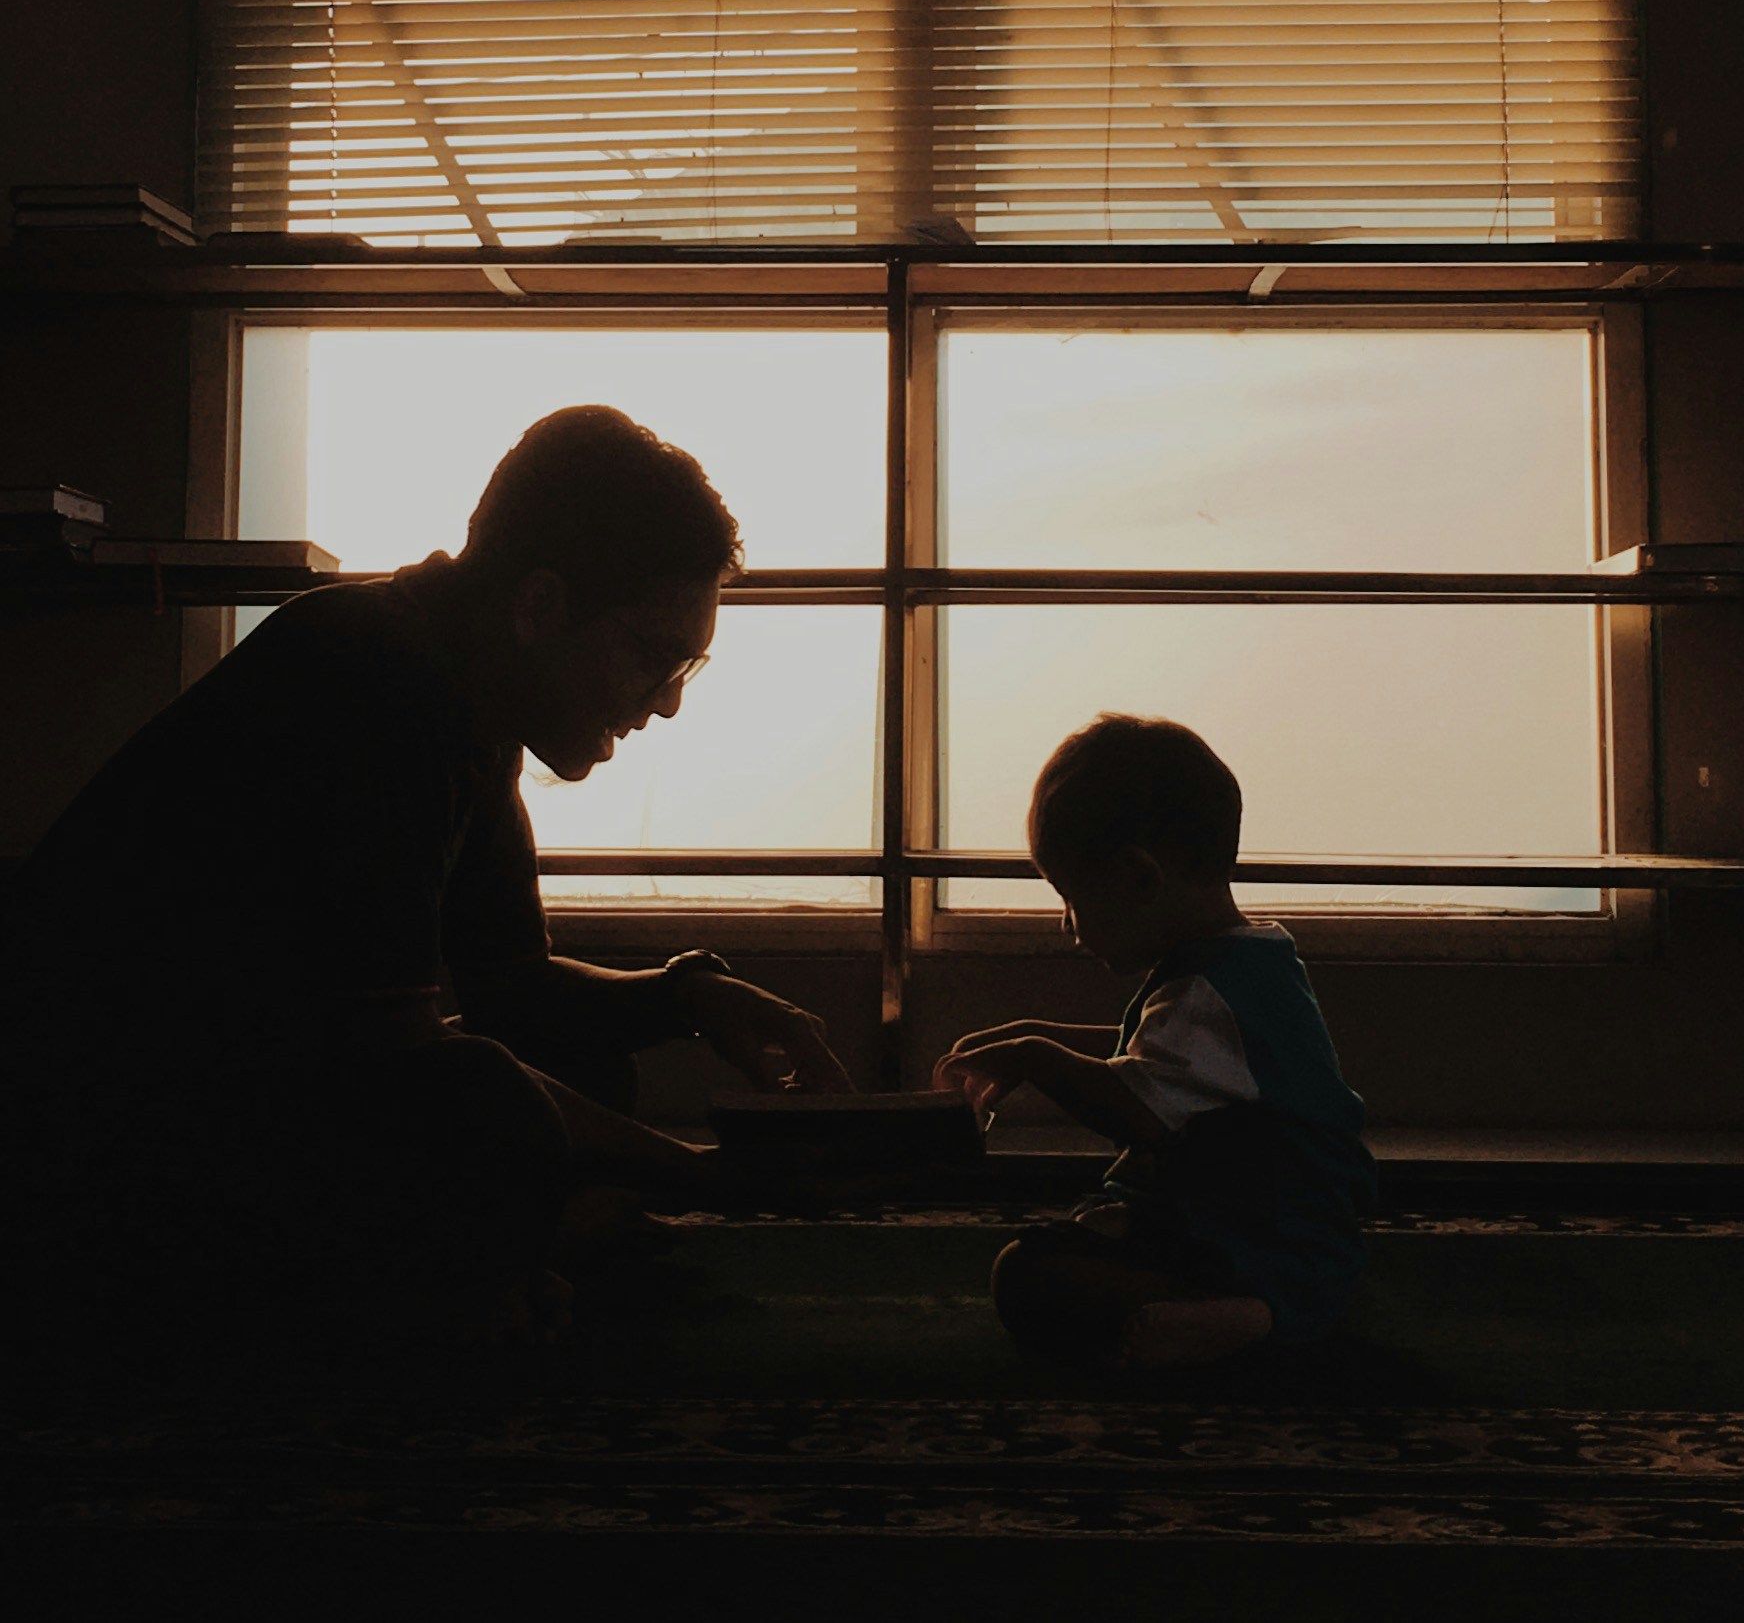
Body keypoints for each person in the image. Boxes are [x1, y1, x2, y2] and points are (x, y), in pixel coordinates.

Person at [1, 404, 849, 1359]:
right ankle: (367, 1304)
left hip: (225, 1114)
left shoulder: (460, 688)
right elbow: (397, 1052)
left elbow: (513, 985)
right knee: (487, 1105)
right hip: (89, 1145)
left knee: (570, 1070)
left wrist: (687, 995)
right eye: (655, 656)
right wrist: (704, 1175)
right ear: (539, 606)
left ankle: (455, 1275)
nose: (669, 702)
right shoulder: (370, 679)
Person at [936, 715, 1375, 1371]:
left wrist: (1036, 1057)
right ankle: (1253, 1314)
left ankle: (1252, 1317)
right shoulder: (1250, 964)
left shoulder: (1204, 989)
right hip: (1294, 1241)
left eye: (1071, 898)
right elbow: (1158, 1060)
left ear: (1140, 879)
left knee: (1027, 1274)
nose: (1068, 926)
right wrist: (1034, 1040)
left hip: (1256, 1245)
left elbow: (1137, 1108)